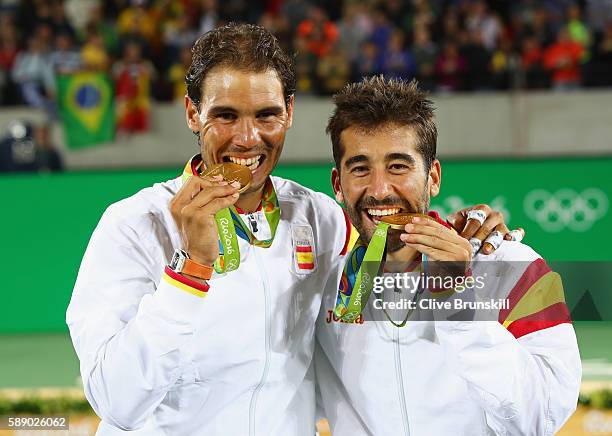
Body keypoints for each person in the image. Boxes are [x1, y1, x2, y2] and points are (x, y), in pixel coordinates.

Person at [66, 24, 519, 435]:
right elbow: (117, 402)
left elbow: (387, 228)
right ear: (191, 113)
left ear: (288, 112)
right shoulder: (133, 225)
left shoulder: (318, 217)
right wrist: (189, 272)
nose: (247, 138)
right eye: (225, 115)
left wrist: (467, 229)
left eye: (265, 115)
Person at [315, 76, 581, 435]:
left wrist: (457, 297)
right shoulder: (324, 289)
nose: (379, 190)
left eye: (398, 166)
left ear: (433, 178)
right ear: (338, 185)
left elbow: (541, 417)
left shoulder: (512, 267)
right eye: (360, 168)